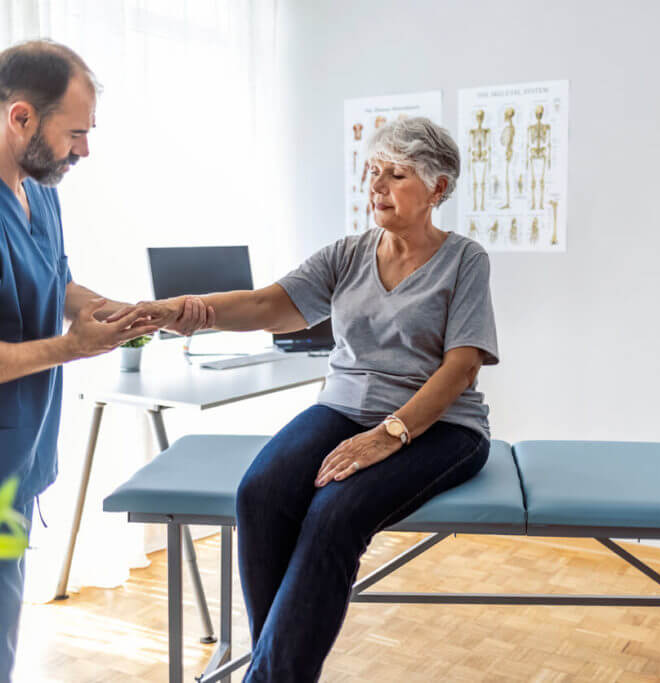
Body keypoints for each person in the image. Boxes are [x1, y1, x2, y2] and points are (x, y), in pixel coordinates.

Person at [0, 40, 207, 682]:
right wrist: (71, 346)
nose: (84, 150)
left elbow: (49, 282)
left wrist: (113, 311)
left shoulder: (36, 188)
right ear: (22, 118)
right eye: (76, 133)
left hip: (8, 461)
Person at [149, 116, 499, 681]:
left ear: (438, 188)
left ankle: (268, 674)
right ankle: (277, 669)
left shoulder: (465, 261)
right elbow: (268, 305)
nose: (378, 186)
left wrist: (387, 436)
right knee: (259, 492)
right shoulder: (348, 254)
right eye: (374, 172)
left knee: (334, 515)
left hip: (441, 427)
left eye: (397, 174)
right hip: (341, 407)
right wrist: (185, 311)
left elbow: (461, 367)